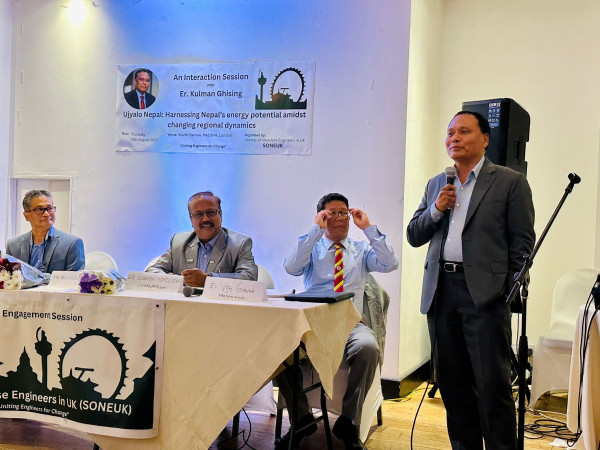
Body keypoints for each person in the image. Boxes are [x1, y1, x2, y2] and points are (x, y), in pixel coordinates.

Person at [407, 111, 535, 450]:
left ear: (485, 139)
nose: (454, 138)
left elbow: (522, 243)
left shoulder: (509, 182)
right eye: (450, 132)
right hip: (441, 292)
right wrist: (436, 209)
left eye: (464, 131)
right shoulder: (437, 183)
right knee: (453, 386)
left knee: (492, 386)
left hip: (486, 296)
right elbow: (414, 235)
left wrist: (505, 292)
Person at [276, 193, 398, 450]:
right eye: (332, 213)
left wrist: (368, 228)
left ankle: (349, 422)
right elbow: (291, 268)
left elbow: (389, 264)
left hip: (350, 323)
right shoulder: (313, 248)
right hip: (314, 324)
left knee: (368, 347)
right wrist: (315, 231)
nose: (340, 218)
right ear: (321, 216)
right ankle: (302, 419)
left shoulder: (360, 250)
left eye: (344, 213)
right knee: (280, 349)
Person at [146, 191, 258, 286]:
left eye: (211, 212)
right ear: (191, 219)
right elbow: (152, 271)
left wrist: (208, 280)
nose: (205, 219)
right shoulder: (178, 241)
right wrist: (178, 280)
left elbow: (249, 278)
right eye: (198, 214)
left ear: (220, 214)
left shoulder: (239, 244)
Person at [5, 190, 85, 274]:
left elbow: (73, 279)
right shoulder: (13, 245)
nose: (46, 214)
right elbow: (9, 277)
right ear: (26, 215)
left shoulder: (72, 244)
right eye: (40, 209)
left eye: (50, 208)